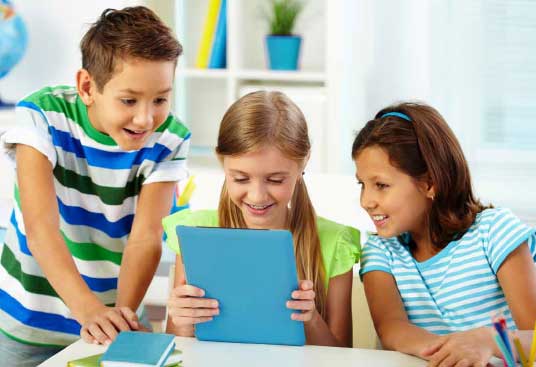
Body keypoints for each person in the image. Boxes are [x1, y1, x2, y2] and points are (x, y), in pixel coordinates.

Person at [0, 6, 189, 366]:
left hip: (116, 313)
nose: (145, 118)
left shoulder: (171, 139)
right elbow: (41, 229)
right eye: (129, 100)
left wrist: (121, 314)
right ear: (88, 87)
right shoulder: (41, 116)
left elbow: (146, 237)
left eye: (160, 99)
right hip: (28, 320)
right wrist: (87, 311)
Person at [353, 103, 536, 366]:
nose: (366, 201)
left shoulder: (495, 231)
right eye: (362, 185)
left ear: (430, 183)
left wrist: (486, 341)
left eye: (381, 185)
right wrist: (453, 352)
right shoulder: (381, 251)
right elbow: (391, 329)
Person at [163, 91, 360, 347]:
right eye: (241, 178)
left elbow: (343, 357)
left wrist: (310, 320)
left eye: (275, 180)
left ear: (304, 162)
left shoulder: (335, 243)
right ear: (222, 162)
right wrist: (182, 320)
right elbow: (176, 346)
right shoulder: (196, 234)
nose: (257, 196)